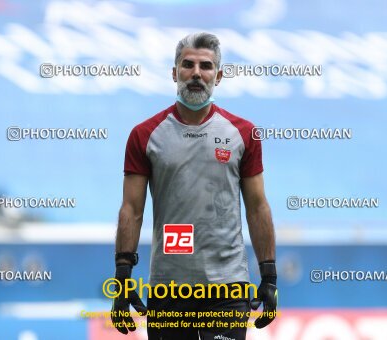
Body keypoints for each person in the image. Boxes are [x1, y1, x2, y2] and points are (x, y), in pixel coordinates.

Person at [111, 32, 277, 340]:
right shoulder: (144, 135)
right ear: (174, 73)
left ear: (220, 75)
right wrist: (122, 277)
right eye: (188, 65)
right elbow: (132, 209)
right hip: (169, 286)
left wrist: (269, 276)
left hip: (228, 288)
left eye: (206, 66)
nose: (197, 73)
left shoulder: (244, 133)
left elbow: (258, 207)